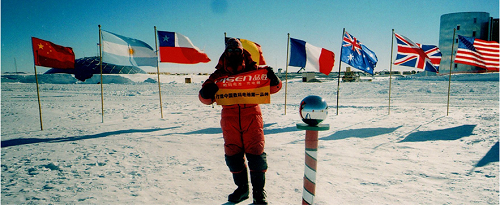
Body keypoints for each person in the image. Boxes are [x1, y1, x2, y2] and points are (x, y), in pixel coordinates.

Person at [199, 38, 282, 204]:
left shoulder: (254, 70)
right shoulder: (218, 75)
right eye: (231, 51)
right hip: (230, 121)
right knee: (233, 156)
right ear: (225, 53)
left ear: (242, 51)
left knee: (256, 155)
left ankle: (259, 192)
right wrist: (207, 92)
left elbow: (274, 88)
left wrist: (274, 79)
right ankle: (242, 189)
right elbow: (204, 98)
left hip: (252, 117)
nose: (234, 54)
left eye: (237, 50)